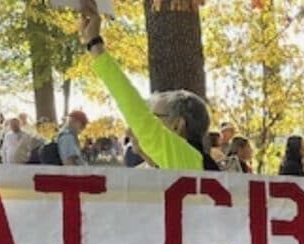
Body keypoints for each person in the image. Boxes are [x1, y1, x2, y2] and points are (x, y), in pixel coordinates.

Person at [77, 0, 218, 171]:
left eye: (153, 118)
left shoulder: (186, 158)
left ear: (178, 125)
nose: (138, 126)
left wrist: (95, 44)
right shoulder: (188, 164)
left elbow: (131, 104)